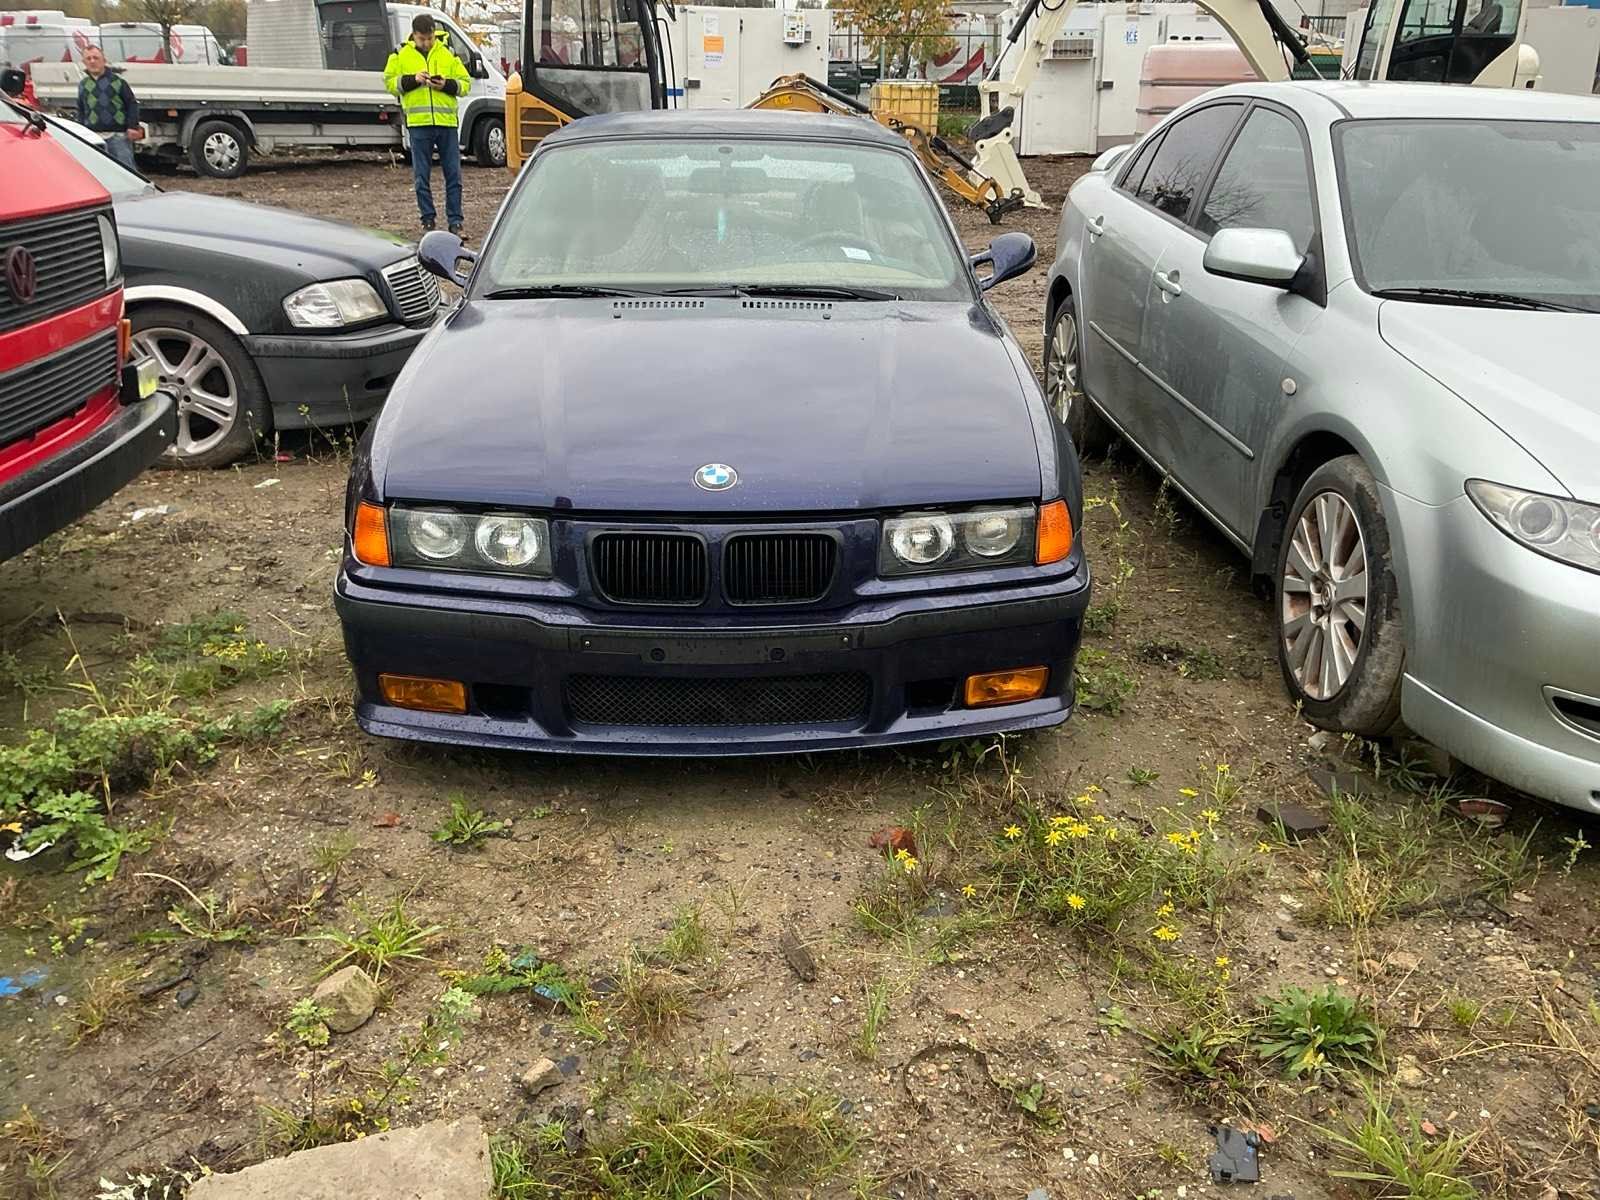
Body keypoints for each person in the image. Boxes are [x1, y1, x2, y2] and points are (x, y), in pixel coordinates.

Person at [383, 14, 472, 237]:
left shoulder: (447, 52)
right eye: (423, 39)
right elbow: (390, 83)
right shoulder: (400, 53)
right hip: (419, 124)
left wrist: (446, 85)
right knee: (421, 176)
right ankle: (428, 219)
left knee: (454, 175)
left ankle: (455, 222)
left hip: (446, 123)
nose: (427, 43)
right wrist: (413, 80)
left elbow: (465, 84)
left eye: (430, 38)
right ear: (414, 35)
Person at [75, 46, 143, 171]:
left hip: (118, 136)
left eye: (96, 58)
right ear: (84, 62)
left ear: (104, 60)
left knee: (125, 171)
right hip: (93, 137)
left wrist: (133, 126)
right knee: (98, 172)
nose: (92, 61)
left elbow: (132, 104)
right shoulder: (83, 85)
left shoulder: (118, 82)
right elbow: (81, 110)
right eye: (88, 58)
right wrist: (80, 131)